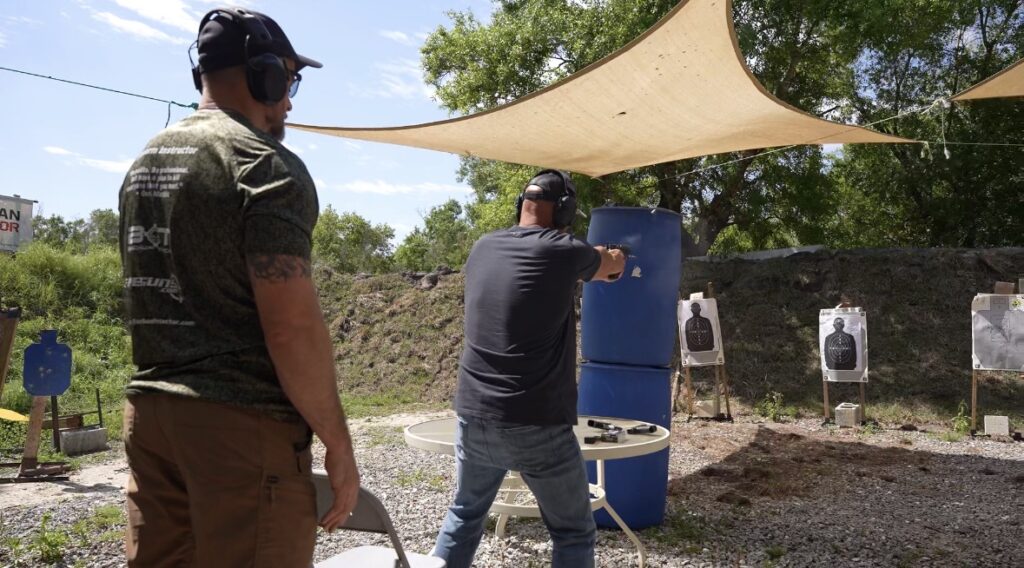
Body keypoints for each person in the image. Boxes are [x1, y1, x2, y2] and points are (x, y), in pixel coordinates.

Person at [118, 8, 359, 566]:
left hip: (151, 420)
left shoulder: (145, 162)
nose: (291, 101)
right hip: (238, 430)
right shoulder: (264, 165)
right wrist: (339, 445)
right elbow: (291, 327)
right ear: (264, 74)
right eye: (290, 81)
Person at [432, 170, 627, 568]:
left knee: (465, 515)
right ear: (565, 210)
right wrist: (614, 253)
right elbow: (611, 268)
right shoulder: (565, 250)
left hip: (474, 414)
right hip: (536, 421)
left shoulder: (483, 246)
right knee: (573, 531)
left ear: (521, 204)